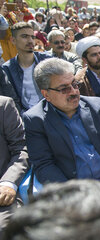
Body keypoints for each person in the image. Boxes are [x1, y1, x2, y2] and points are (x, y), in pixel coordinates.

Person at [23, 58, 100, 191]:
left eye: (75, 84)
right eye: (64, 89)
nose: (74, 92)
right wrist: (70, 192)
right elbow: (43, 164)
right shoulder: (35, 119)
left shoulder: (98, 106)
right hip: (74, 193)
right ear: (46, 94)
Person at [2, 22, 51, 113]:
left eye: (32, 37)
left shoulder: (47, 61)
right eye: (24, 36)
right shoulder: (7, 69)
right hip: (24, 116)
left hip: (50, 111)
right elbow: (12, 100)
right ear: (13, 40)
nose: (30, 41)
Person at [0, 96, 28, 231]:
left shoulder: (3, 105)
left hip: (2, 192)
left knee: (6, 228)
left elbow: (21, 149)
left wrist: (8, 183)